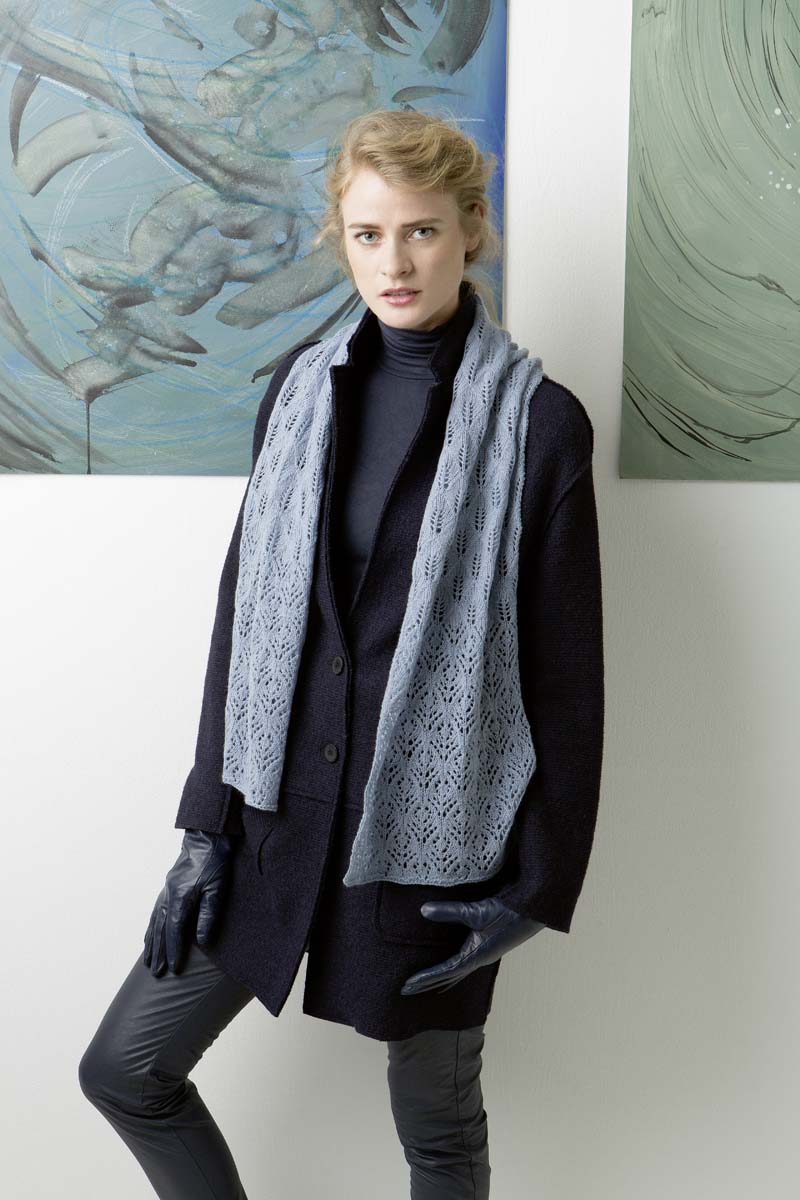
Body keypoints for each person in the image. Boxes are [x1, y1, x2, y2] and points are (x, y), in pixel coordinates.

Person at [78, 108, 604, 1199]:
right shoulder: (297, 393)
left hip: (430, 847)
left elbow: (564, 680)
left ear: (469, 230)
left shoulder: (541, 425)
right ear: (341, 240)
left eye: (420, 231)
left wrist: (534, 889)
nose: (394, 262)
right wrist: (204, 829)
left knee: (438, 1134)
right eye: (368, 235)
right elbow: (243, 618)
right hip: (271, 821)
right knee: (125, 1070)